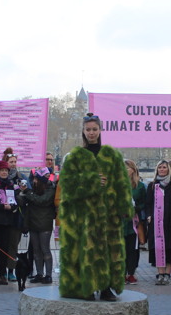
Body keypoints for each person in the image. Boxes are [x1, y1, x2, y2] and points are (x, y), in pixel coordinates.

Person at [57, 114, 132, 301]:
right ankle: (87, 287)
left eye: (94, 129)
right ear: (83, 131)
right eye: (88, 129)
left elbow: (122, 183)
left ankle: (106, 288)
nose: (91, 133)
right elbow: (67, 185)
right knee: (87, 250)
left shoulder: (112, 155)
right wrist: (92, 182)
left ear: (100, 131)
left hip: (109, 213)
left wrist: (124, 206)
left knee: (108, 251)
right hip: (84, 214)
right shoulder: (75, 157)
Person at [18, 166, 56, 284]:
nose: (34, 181)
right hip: (33, 223)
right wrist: (20, 193)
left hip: (44, 224)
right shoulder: (32, 189)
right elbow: (27, 203)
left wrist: (27, 192)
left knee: (45, 249)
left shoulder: (50, 189)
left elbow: (41, 200)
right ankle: (39, 273)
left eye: (36, 179)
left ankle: (48, 275)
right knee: (36, 251)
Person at [145, 160, 171, 285]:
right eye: (160, 167)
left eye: (164, 167)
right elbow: (148, 203)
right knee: (158, 247)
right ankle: (160, 273)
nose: (162, 169)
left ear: (168, 169)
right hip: (156, 222)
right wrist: (149, 215)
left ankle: (167, 274)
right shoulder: (152, 185)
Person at [3, 148, 26, 282]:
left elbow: (27, 194)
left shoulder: (21, 177)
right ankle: (2, 270)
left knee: (13, 245)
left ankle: (11, 270)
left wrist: (20, 196)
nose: (13, 164)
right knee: (3, 244)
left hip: (16, 217)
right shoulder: (1, 177)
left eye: (15, 162)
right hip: (3, 216)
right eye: (11, 162)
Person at [123, 160, 146, 285]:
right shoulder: (118, 185)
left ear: (133, 169)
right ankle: (122, 272)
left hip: (134, 222)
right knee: (121, 248)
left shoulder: (140, 186)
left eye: (127, 168)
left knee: (133, 249)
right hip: (121, 222)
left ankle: (131, 273)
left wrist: (136, 208)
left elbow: (144, 202)